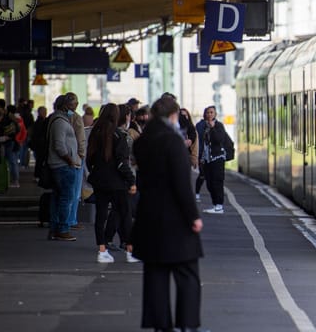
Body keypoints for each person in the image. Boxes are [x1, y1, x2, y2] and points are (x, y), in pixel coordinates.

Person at [132, 96, 205, 332]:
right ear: (173, 116)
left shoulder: (143, 142)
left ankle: (161, 325)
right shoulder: (172, 142)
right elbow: (181, 184)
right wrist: (193, 216)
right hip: (175, 220)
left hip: (148, 217)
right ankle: (187, 323)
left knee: (155, 274)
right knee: (187, 274)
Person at [86, 104, 139, 263]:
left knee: (101, 215)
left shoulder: (95, 133)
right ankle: (130, 251)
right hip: (117, 183)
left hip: (99, 181)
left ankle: (102, 250)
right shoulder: (118, 135)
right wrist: (131, 180)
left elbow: (90, 159)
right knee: (125, 214)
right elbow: (122, 163)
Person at [47, 96, 81, 241]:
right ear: (65, 106)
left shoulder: (58, 120)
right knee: (66, 198)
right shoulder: (60, 122)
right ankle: (63, 229)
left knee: (58, 197)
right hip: (63, 166)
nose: (74, 108)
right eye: (73, 105)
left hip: (60, 165)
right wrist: (70, 161)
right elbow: (59, 145)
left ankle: (55, 228)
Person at [199, 106, 228, 214]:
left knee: (217, 182)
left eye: (212, 112)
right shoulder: (204, 126)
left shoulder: (218, 126)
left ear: (215, 114)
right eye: (208, 112)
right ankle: (215, 204)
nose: (209, 114)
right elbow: (203, 144)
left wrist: (213, 128)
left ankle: (219, 205)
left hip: (217, 158)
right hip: (207, 159)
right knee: (209, 183)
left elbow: (219, 139)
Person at [65, 93, 86, 230]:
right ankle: (71, 220)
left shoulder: (58, 116)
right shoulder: (77, 118)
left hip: (62, 157)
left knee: (64, 192)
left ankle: (64, 219)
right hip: (76, 158)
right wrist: (82, 155)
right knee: (75, 191)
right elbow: (81, 139)